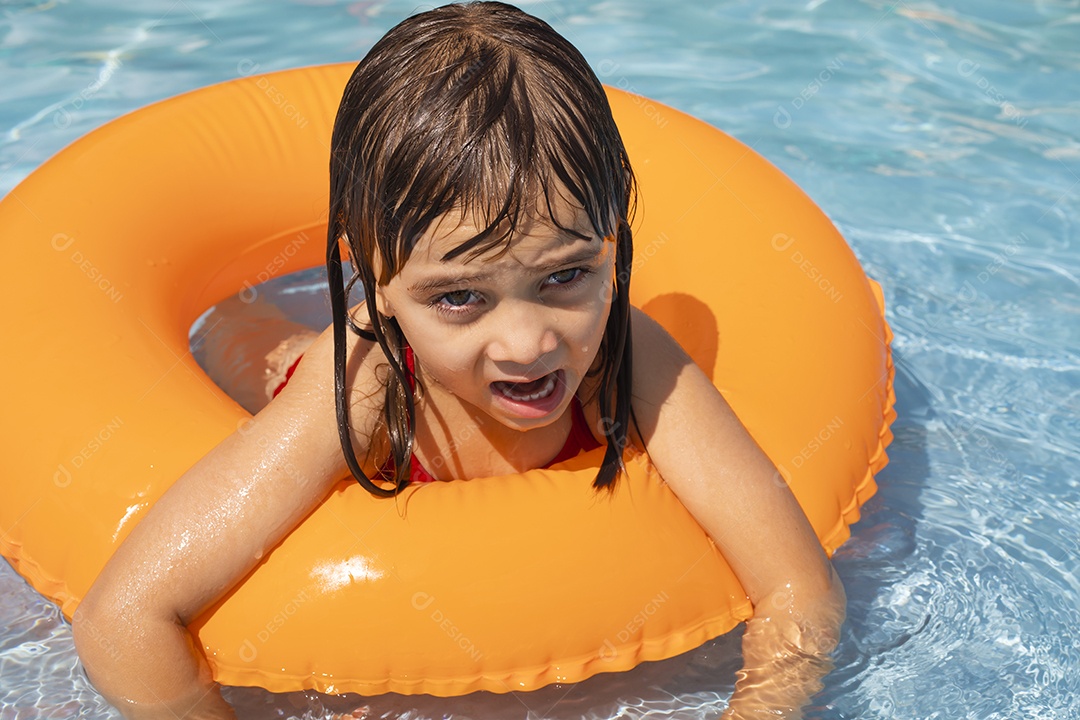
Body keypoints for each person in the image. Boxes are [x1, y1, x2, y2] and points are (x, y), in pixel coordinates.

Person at [72, 3, 845, 718]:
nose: (528, 342)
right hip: (344, 380)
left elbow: (798, 589)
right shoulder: (359, 398)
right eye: (459, 298)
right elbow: (124, 622)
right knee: (260, 350)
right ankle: (240, 321)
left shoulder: (627, 354)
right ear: (377, 279)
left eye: (565, 276)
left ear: (613, 238)